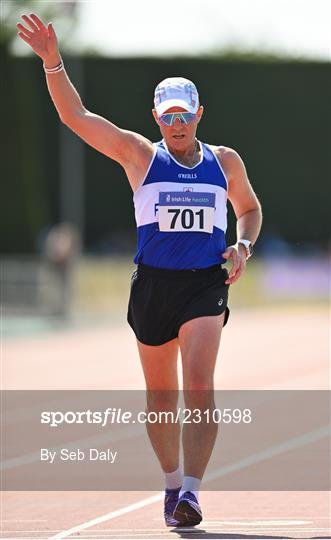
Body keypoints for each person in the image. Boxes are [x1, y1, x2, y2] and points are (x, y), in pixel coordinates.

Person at [17, 14, 262, 528]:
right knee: (160, 397)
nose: (177, 124)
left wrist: (241, 246)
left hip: (205, 285)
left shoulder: (226, 162)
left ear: (199, 114)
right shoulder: (139, 156)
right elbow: (76, 117)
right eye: (168, 116)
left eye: (185, 115)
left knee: (199, 384)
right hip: (152, 285)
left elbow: (250, 211)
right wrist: (51, 62)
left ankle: (193, 492)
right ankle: (172, 484)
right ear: (156, 116)